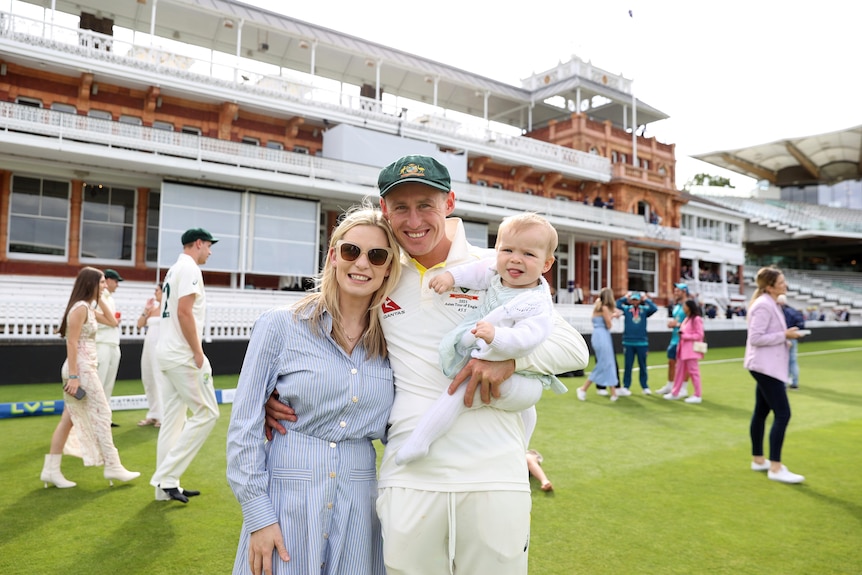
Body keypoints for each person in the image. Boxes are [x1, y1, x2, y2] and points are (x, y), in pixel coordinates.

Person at [265, 154, 589, 575]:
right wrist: (285, 395)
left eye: (425, 205)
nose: (413, 219)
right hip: (409, 473)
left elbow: (573, 349)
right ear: (385, 210)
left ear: (449, 203)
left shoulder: (493, 266)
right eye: (400, 206)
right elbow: (330, 324)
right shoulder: (379, 269)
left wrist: (508, 361)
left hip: (493, 473)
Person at [227, 207, 401, 575]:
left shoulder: (397, 341)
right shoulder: (280, 326)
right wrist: (259, 515)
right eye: (351, 251)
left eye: (377, 255)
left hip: (360, 507)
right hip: (286, 500)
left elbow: (402, 425)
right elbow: (243, 426)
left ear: (388, 267)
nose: (362, 264)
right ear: (334, 255)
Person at [395, 212, 564, 465]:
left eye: (528, 254)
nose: (515, 259)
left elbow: (530, 337)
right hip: (503, 360)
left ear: (546, 264)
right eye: (507, 250)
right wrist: (450, 278)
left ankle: (421, 440)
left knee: (458, 391)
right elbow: (476, 271)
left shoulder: (536, 302)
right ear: (497, 250)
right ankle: (523, 450)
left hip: (519, 372)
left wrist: (497, 336)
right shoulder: (499, 274)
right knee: (526, 411)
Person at [40, 266, 140, 489]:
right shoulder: (80, 308)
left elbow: (112, 322)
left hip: (85, 367)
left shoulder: (86, 307)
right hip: (81, 369)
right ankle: (113, 465)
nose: (105, 286)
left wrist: (99, 296)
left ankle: (50, 471)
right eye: (102, 282)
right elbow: (71, 342)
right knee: (103, 412)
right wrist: (74, 377)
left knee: (68, 419)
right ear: (90, 283)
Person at [150, 228, 220, 503]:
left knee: (173, 421)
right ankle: (166, 478)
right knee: (208, 413)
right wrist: (197, 351)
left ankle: (165, 488)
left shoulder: (173, 269)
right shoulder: (190, 268)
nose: (210, 252)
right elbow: (184, 311)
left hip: (166, 352)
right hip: (182, 355)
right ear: (199, 244)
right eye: (209, 246)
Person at [745, 266, 806, 484]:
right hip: (766, 367)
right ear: (770, 286)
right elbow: (756, 338)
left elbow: (766, 336)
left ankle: (759, 460)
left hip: (767, 366)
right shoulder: (763, 305)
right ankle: (776, 467)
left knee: (761, 412)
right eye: (781, 282)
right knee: (783, 414)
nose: (785, 285)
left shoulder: (769, 303)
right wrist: (784, 335)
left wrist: (785, 339)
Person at [576, 287, 622, 401]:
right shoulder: (605, 308)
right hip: (603, 336)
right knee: (604, 363)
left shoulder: (598, 306)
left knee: (607, 362)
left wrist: (614, 314)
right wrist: (613, 316)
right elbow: (609, 325)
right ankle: (583, 389)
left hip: (598, 335)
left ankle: (613, 393)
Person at [616, 291, 658, 395]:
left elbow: (654, 308)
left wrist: (646, 299)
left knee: (643, 366)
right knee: (628, 365)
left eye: (636, 299)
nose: (635, 301)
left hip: (642, 343)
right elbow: (617, 304)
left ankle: (645, 386)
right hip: (628, 342)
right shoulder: (626, 309)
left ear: (639, 300)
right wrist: (625, 297)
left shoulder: (644, 310)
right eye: (633, 299)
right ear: (630, 300)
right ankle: (626, 386)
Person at [663, 299, 705, 404]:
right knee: (679, 372)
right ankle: (675, 393)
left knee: (694, 373)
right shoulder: (687, 319)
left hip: (691, 350)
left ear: (689, 307)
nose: (683, 308)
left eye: (685, 306)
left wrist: (685, 336)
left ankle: (697, 394)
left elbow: (699, 335)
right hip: (682, 350)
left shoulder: (696, 319)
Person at [96, 268, 123, 426]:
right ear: (107, 281)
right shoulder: (98, 298)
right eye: (116, 281)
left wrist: (113, 323)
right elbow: (94, 320)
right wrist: (113, 323)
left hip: (112, 343)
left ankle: (104, 418)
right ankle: (96, 419)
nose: (117, 285)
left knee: (108, 383)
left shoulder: (110, 299)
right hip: (102, 343)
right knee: (100, 382)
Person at [136, 283, 164, 427]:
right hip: (148, 345)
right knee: (148, 378)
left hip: (161, 346)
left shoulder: (169, 309)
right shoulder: (152, 309)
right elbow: (139, 324)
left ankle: (163, 416)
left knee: (160, 378)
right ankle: (153, 414)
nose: (155, 293)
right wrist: (146, 310)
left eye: (157, 290)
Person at [657, 283, 690, 398]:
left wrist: (678, 324)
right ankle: (670, 385)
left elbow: (693, 323)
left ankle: (683, 388)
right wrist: (673, 324)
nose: (675, 293)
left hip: (685, 339)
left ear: (684, 291)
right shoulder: (676, 306)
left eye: (678, 291)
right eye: (675, 291)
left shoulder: (688, 305)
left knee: (685, 364)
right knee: (671, 362)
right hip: (674, 338)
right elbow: (677, 320)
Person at [777, 294, 805, 389]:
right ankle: (794, 382)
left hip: (785, 337)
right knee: (793, 361)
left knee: (784, 361)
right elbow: (801, 324)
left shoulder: (781, 312)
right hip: (793, 337)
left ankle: (784, 382)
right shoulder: (793, 311)